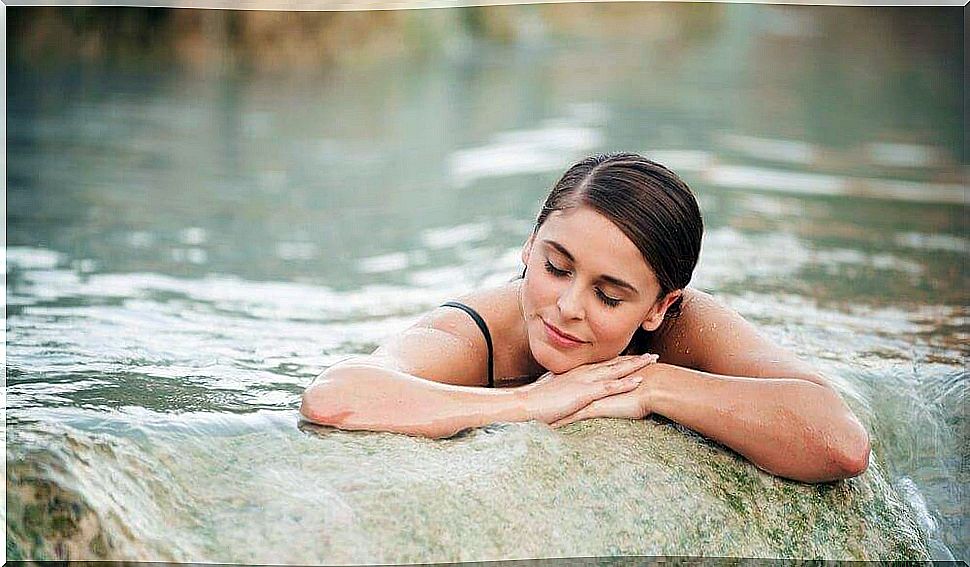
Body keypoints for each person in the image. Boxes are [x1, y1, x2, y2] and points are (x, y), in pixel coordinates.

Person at [300, 152, 870, 483]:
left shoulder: (687, 327)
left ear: (659, 307)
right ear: (529, 246)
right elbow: (337, 395)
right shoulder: (481, 332)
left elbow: (839, 441)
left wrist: (657, 385)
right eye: (555, 267)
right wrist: (527, 403)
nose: (567, 306)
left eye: (609, 296)